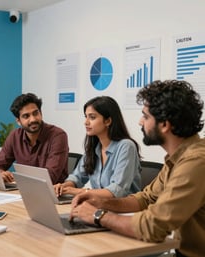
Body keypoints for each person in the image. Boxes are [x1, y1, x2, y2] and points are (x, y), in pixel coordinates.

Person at [69, 80, 205, 257]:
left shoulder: (196, 162)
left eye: (146, 116)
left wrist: (99, 215)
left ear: (164, 124)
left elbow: (153, 226)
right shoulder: (179, 157)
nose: (140, 122)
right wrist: (102, 202)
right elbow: (146, 198)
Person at [54, 96, 141, 197]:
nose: (86, 122)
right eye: (86, 117)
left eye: (92, 117)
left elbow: (116, 191)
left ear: (108, 121)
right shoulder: (95, 147)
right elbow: (77, 177)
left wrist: (75, 191)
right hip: (100, 206)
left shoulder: (126, 146)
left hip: (125, 209)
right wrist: (63, 187)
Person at [0, 93, 69, 184]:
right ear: (18, 121)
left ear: (41, 113)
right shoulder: (15, 136)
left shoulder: (57, 136)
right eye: (26, 116)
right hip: (23, 190)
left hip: (53, 193)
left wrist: (16, 178)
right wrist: (0, 173)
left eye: (35, 113)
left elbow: (50, 176)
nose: (33, 119)